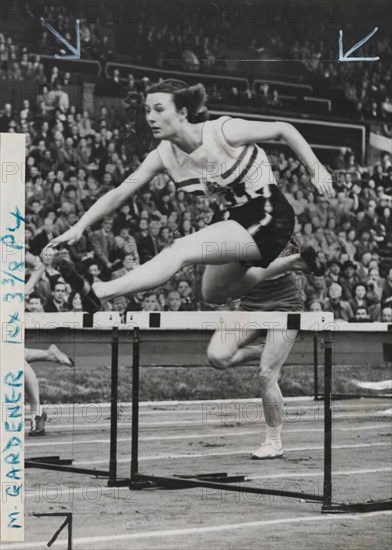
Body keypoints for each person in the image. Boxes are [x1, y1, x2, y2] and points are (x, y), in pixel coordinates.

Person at [47, 79, 333, 311]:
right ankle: (295, 262)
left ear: (182, 112)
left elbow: (283, 129)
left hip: (269, 214)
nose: (150, 118)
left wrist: (317, 170)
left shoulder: (223, 131)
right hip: (234, 219)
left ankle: (101, 292)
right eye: (147, 110)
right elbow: (120, 192)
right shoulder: (163, 155)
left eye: (159, 109)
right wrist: (79, 226)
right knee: (214, 294)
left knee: (179, 250)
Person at [207, 266, 303, 459]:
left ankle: (274, 442)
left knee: (266, 375)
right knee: (218, 356)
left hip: (284, 304)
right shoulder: (235, 240)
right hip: (250, 304)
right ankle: (265, 351)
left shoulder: (279, 239)